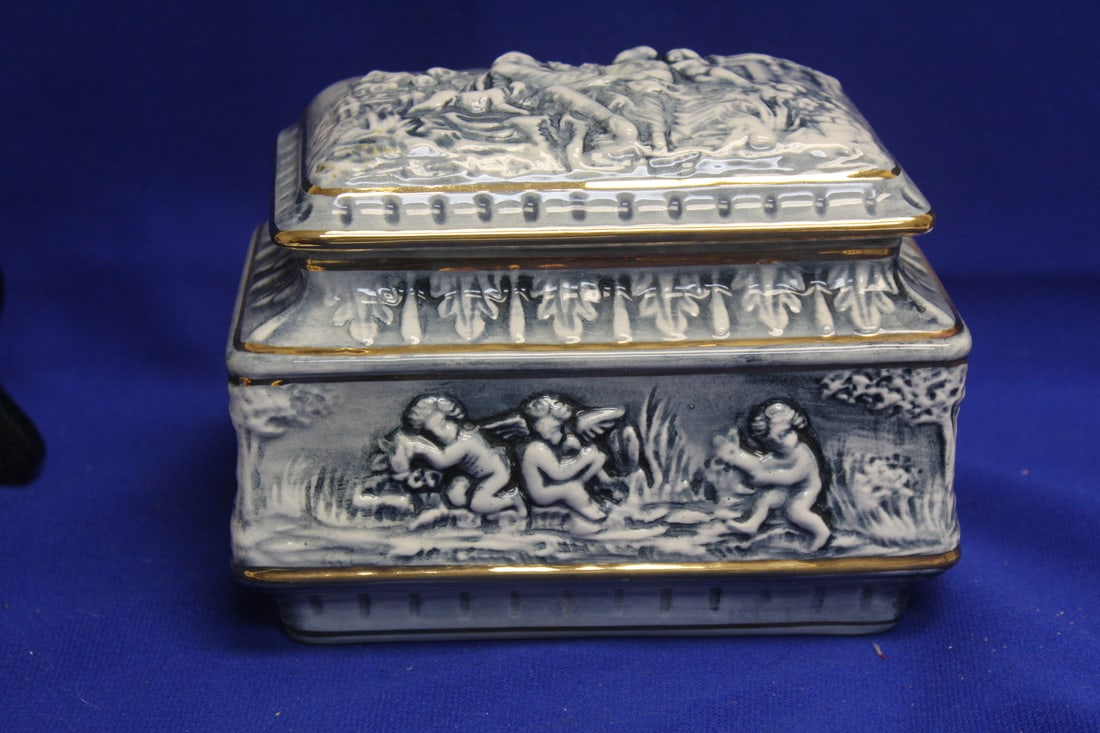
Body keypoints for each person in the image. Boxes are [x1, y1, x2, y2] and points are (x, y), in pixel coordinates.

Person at [712, 398, 830, 551]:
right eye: (771, 443)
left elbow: (792, 476)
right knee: (766, 498)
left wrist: (765, 477)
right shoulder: (781, 453)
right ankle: (752, 524)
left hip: (806, 489)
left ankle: (822, 532)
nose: (781, 443)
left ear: (794, 430)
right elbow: (765, 464)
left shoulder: (802, 454)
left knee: (795, 511)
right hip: (789, 488)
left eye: (784, 434)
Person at [391, 395, 526, 518]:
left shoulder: (465, 442)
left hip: (495, 473)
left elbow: (442, 461)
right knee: (455, 495)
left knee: (477, 503)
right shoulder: (459, 438)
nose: (440, 435)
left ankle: (512, 501)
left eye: (442, 426)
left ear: (452, 419)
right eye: (431, 433)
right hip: (473, 473)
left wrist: (422, 449)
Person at [517, 395, 617, 521]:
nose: (560, 435)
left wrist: (583, 454)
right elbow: (559, 473)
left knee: (598, 457)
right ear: (542, 426)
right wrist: (584, 458)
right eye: (556, 430)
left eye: (561, 429)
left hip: (552, 483)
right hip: (542, 494)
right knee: (571, 489)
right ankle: (591, 510)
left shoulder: (544, 445)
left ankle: (600, 484)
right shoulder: (536, 450)